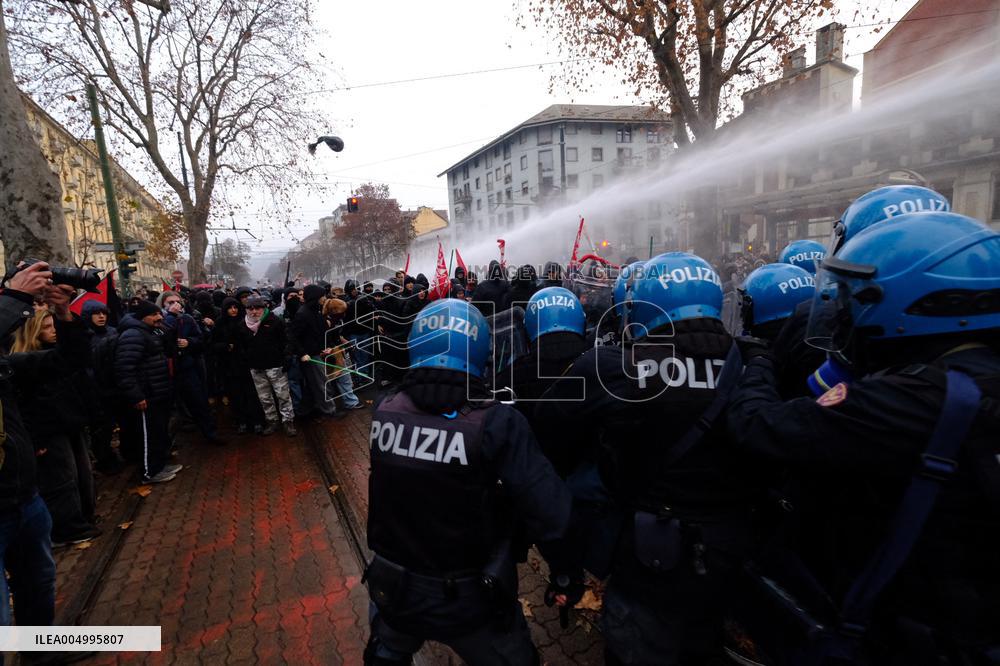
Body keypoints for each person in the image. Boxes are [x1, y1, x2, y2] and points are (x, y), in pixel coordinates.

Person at [727, 212, 1000, 665]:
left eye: (854, 299)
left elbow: (759, 425)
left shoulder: (906, 400)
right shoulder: (970, 378)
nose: (844, 314)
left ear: (911, 299)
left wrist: (760, 363)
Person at [537, 252, 759, 665]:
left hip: (646, 553)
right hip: (729, 550)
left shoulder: (612, 368)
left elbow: (547, 432)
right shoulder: (752, 364)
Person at [364, 298, 580, 665]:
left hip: (393, 590)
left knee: (385, 653)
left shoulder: (384, 409)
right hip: (468, 598)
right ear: (480, 349)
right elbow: (549, 510)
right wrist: (565, 573)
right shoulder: (497, 422)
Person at [0, 263, 76, 645]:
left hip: (24, 498)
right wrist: (15, 296)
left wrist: (64, 315)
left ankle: (40, 649)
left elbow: (68, 361)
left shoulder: (6, 365)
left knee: (39, 583)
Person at [115, 300, 182, 484]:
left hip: (157, 393)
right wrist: (136, 395)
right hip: (146, 395)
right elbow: (124, 368)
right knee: (148, 436)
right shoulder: (133, 335)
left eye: (159, 313)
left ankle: (158, 465)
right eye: (154, 315)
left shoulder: (151, 331)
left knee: (158, 433)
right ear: (142, 317)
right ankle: (148, 473)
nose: (159, 317)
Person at [159, 291, 221, 444]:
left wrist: (189, 342)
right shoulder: (159, 320)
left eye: (177, 301)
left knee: (198, 401)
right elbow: (164, 337)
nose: (175, 305)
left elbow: (200, 339)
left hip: (187, 368)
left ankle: (210, 433)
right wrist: (171, 316)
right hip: (165, 371)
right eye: (170, 302)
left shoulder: (187, 319)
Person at [81, 300, 124, 474]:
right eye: (96, 314)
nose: (101, 317)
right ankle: (104, 459)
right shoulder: (83, 336)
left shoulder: (113, 332)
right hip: (97, 390)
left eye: (104, 313)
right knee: (101, 429)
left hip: (116, 386)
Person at [244, 297, 297, 437]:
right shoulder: (243, 325)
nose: (254, 312)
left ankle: (288, 421)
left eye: (257, 308)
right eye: (250, 309)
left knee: (283, 395)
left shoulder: (275, 321)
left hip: (275, 365)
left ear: (264, 308)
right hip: (256, 367)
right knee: (264, 397)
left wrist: (287, 357)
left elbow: (287, 340)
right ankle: (272, 421)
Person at [214, 298, 264, 434]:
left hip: (247, 363)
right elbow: (212, 344)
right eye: (230, 308)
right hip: (229, 365)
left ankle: (256, 421)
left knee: (252, 393)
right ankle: (241, 421)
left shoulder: (245, 321)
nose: (233, 310)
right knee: (236, 394)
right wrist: (225, 346)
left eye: (235, 307)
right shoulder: (220, 323)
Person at [291, 285, 338, 418]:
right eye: (322, 296)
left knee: (318, 384)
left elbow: (322, 332)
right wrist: (302, 353)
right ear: (315, 297)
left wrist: (328, 346)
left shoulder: (317, 311)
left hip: (320, 352)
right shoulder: (302, 314)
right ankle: (329, 410)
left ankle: (313, 409)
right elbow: (293, 336)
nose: (325, 298)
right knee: (321, 384)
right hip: (310, 356)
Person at [321, 298, 365, 411]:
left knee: (344, 377)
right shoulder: (326, 321)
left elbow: (337, 335)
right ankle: (345, 403)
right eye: (342, 312)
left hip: (337, 351)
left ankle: (350, 402)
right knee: (338, 379)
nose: (344, 314)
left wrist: (345, 342)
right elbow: (323, 338)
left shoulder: (336, 320)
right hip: (330, 353)